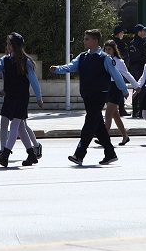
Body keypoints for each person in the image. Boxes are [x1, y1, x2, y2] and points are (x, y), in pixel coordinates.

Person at [50, 28, 126, 166]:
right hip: (87, 94)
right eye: (85, 38)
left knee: (89, 122)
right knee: (98, 125)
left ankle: (79, 154)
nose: (84, 41)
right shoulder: (83, 56)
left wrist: (124, 90)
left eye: (87, 39)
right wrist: (57, 69)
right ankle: (110, 152)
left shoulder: (105, 58)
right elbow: (71, 66)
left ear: (95, 41)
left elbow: (116, 75)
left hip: (99, 94)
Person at [0, 32, 43, 167]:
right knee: (16, 126)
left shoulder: (26, 62)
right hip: (9, 97)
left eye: (8, 43)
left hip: (21, 98)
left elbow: (34, 81)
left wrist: (39, 97)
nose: (6, 45)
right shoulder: (5, 60)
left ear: (14, 46)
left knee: (15, 126)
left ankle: (5, 155)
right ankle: (31, 155)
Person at [102, 39, 139, 145]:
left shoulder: (119, 62)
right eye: (106, 49)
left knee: (108, 113)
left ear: (114, 50)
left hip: (116, 88)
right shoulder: (103, 60)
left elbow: (127, 74)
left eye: (110, 49)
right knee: (115, 115)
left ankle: (103, 137)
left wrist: (136, 86)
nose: (108, 51)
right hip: (107, 88)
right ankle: (125, 136)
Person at [126, 24, 146, 119]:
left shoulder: (131, 42)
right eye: (143, 30)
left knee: (135, 88)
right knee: (141, 88)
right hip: (140, 67)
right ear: (139, 32)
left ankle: (135, 110)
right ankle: (140, 111)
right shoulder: (142, 42)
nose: (145, 32)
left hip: (133, 68)